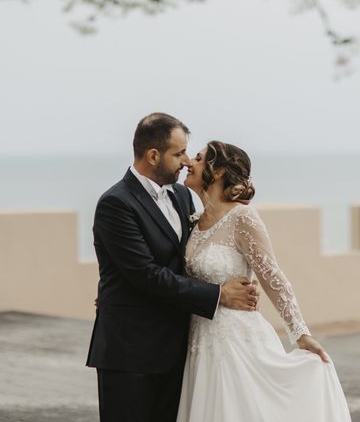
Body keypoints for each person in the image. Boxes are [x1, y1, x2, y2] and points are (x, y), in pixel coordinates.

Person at [86, 113, 259, 422]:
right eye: (178, 153)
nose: (186, 161)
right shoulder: (116, 203)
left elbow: (191, 258)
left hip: (178, 351)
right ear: (153, 155)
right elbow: (146, 274)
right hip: (131, 353)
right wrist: (219, 294)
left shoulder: (182, 196)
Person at [177, 140, 352, 422]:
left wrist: (300, 332)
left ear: (218, 171)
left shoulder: (242, 217)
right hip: (198, 341)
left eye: (198, 158)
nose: (189, 163)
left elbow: (271, 275)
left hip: (235, 340)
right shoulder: (194, 223)